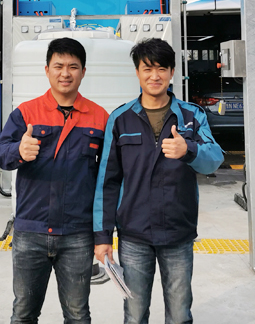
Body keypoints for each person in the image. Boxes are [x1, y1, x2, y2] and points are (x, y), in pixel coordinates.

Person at [93, 38, 224, 324]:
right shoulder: (120, 119)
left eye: (162, 69)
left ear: (172, 72)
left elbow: (214, 159)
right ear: (137, 72)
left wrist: (188, 150)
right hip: (134, 235)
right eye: (147, 69)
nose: (155, 76)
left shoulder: (192, 115)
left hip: (178, 232)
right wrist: (102, 237)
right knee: (135, 314)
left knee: (179, 315)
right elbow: (107, 181)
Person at [0, 37, 109, 324]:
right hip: (30, 232)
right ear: (47, 70)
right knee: (23, 313)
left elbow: (108, 179)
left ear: (83, 72)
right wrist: (19, 151)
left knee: (78, 315)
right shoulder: (26, 113)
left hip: (77, 234)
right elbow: (1, 155)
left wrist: (103, 233)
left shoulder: (100, 117)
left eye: (73, 66)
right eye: (58, 66)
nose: (65, 73)